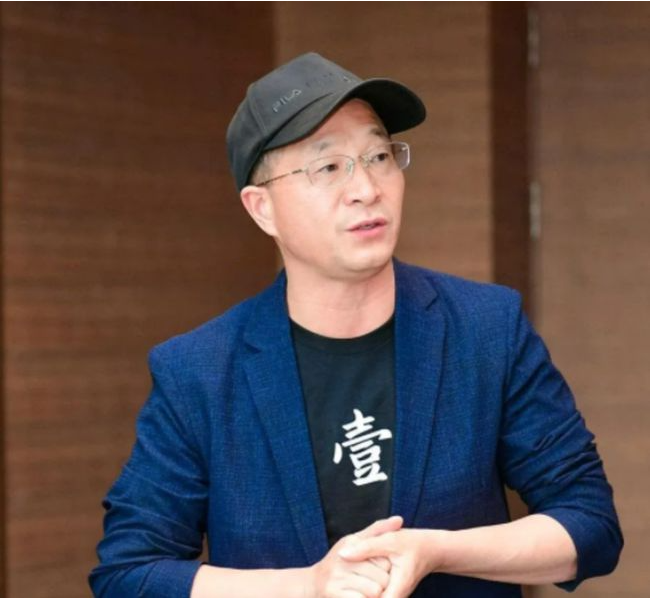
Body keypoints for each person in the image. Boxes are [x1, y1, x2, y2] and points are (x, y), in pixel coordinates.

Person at [89, 52, 622, 598]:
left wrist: (437, 551)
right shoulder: (199, 371)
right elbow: (128, 574)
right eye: (327, 167)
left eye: (379, 156)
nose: (366, 187)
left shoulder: (486, 330)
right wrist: (308, 587)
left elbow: (590, 525)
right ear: (261, 208)